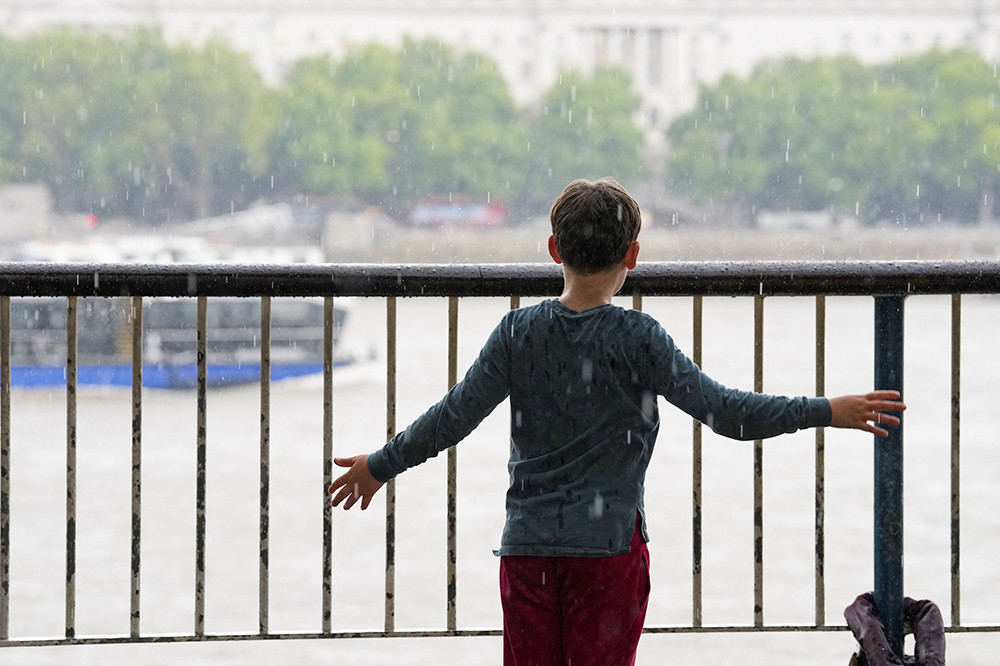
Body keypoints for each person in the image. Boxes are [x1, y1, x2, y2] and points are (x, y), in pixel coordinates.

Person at [329, 178, 906, 666]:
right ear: (631, 255)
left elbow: (451, 419)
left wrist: (380, 465)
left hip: (528, 549)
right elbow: (728, 413)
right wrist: (831, 410)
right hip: (606, 554)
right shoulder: (639, 339)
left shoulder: (516, 333)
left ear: (554, 249)